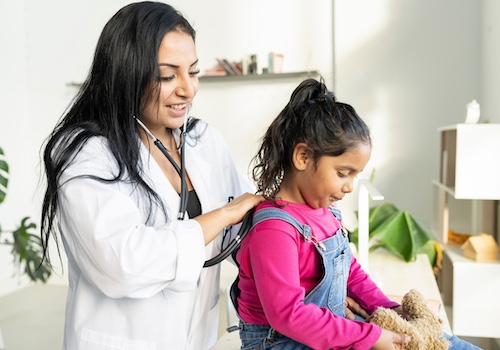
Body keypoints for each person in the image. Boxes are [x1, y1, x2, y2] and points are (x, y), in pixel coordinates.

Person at [40, 2, 262, 349]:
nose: (188, 89)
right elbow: (124, 264)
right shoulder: (86, 153)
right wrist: (223, 214)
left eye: (193, 71)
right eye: (167, 75)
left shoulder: (204, 142)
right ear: (126, 73)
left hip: (195, 338)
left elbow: (245, 231)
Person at [233, 78, 482, 349]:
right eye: (342, 173)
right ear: (303, 157)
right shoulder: (274, 230)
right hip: (282, 342)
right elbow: (288, 316)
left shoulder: (325, 213)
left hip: (325, 333)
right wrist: (371, 336)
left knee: (443, 342)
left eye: (355, 175)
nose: (350, 186)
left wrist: (390, 310)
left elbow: (351, 274)